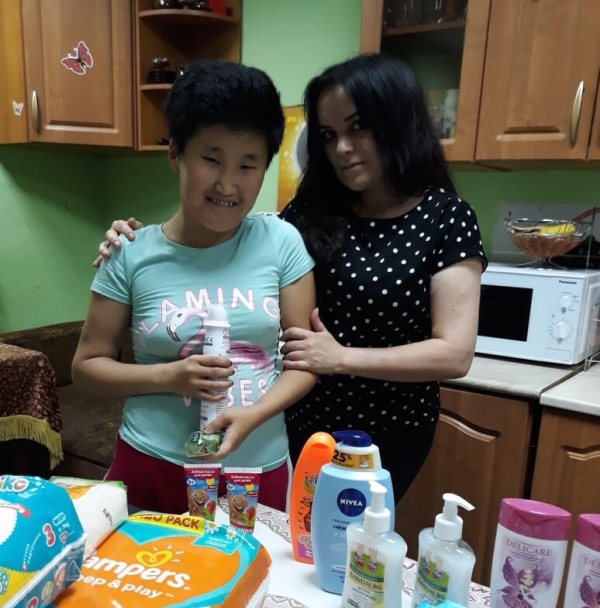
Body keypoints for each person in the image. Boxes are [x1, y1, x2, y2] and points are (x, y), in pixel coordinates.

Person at [94, 53, 486, 502]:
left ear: (398, 122)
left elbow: (455, 353)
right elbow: (229, 240)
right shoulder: (309, 212)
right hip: (291, 421)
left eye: (358, 127)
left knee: (351, 535)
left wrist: (340, 358)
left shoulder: (444, 218)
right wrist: (133, 242)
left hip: (382, 426)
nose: (342, 148)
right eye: (328, 134)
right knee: (293, 536)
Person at [76, 60, 316, 514]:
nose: (228, 183)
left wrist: (253, 415)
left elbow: (305, 362)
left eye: (248, 164)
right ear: (176, 155)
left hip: (253, 469)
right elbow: (86, 367)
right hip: (153, 464)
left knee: (256, 565)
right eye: (211, 159)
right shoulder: (129, 251)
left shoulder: (282, 243)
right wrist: (169, 376)